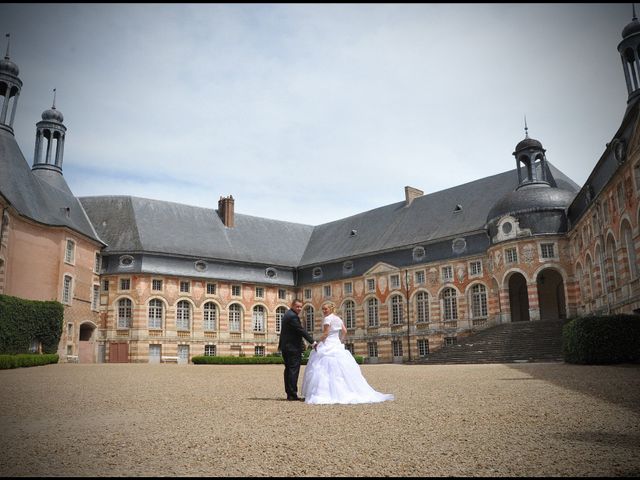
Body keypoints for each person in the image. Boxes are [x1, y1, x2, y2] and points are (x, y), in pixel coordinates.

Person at [301, 302, 394, 404]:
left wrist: (317, 342)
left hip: (328, 344)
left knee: (322, 368)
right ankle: (344, 390)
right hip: (336, 344)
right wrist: (341, 341)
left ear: (330, 309)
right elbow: (344, 331)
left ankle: (326, 392)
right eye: (323, 309)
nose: (323, 311)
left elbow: (326, 333)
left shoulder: (328, 319)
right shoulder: (338, 318)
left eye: (325, 309)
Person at [278, 299, 316, 401]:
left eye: (300, 307)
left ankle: (290, 393)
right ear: (292, 306)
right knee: (293, 370)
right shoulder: (292, 316)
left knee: (288, 370)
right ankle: (292, 395)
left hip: (286, 347)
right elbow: (300, 330)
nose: (299, 309)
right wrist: (312, 342)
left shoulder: (287, 314)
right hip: (292, 348)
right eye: (297, 307)